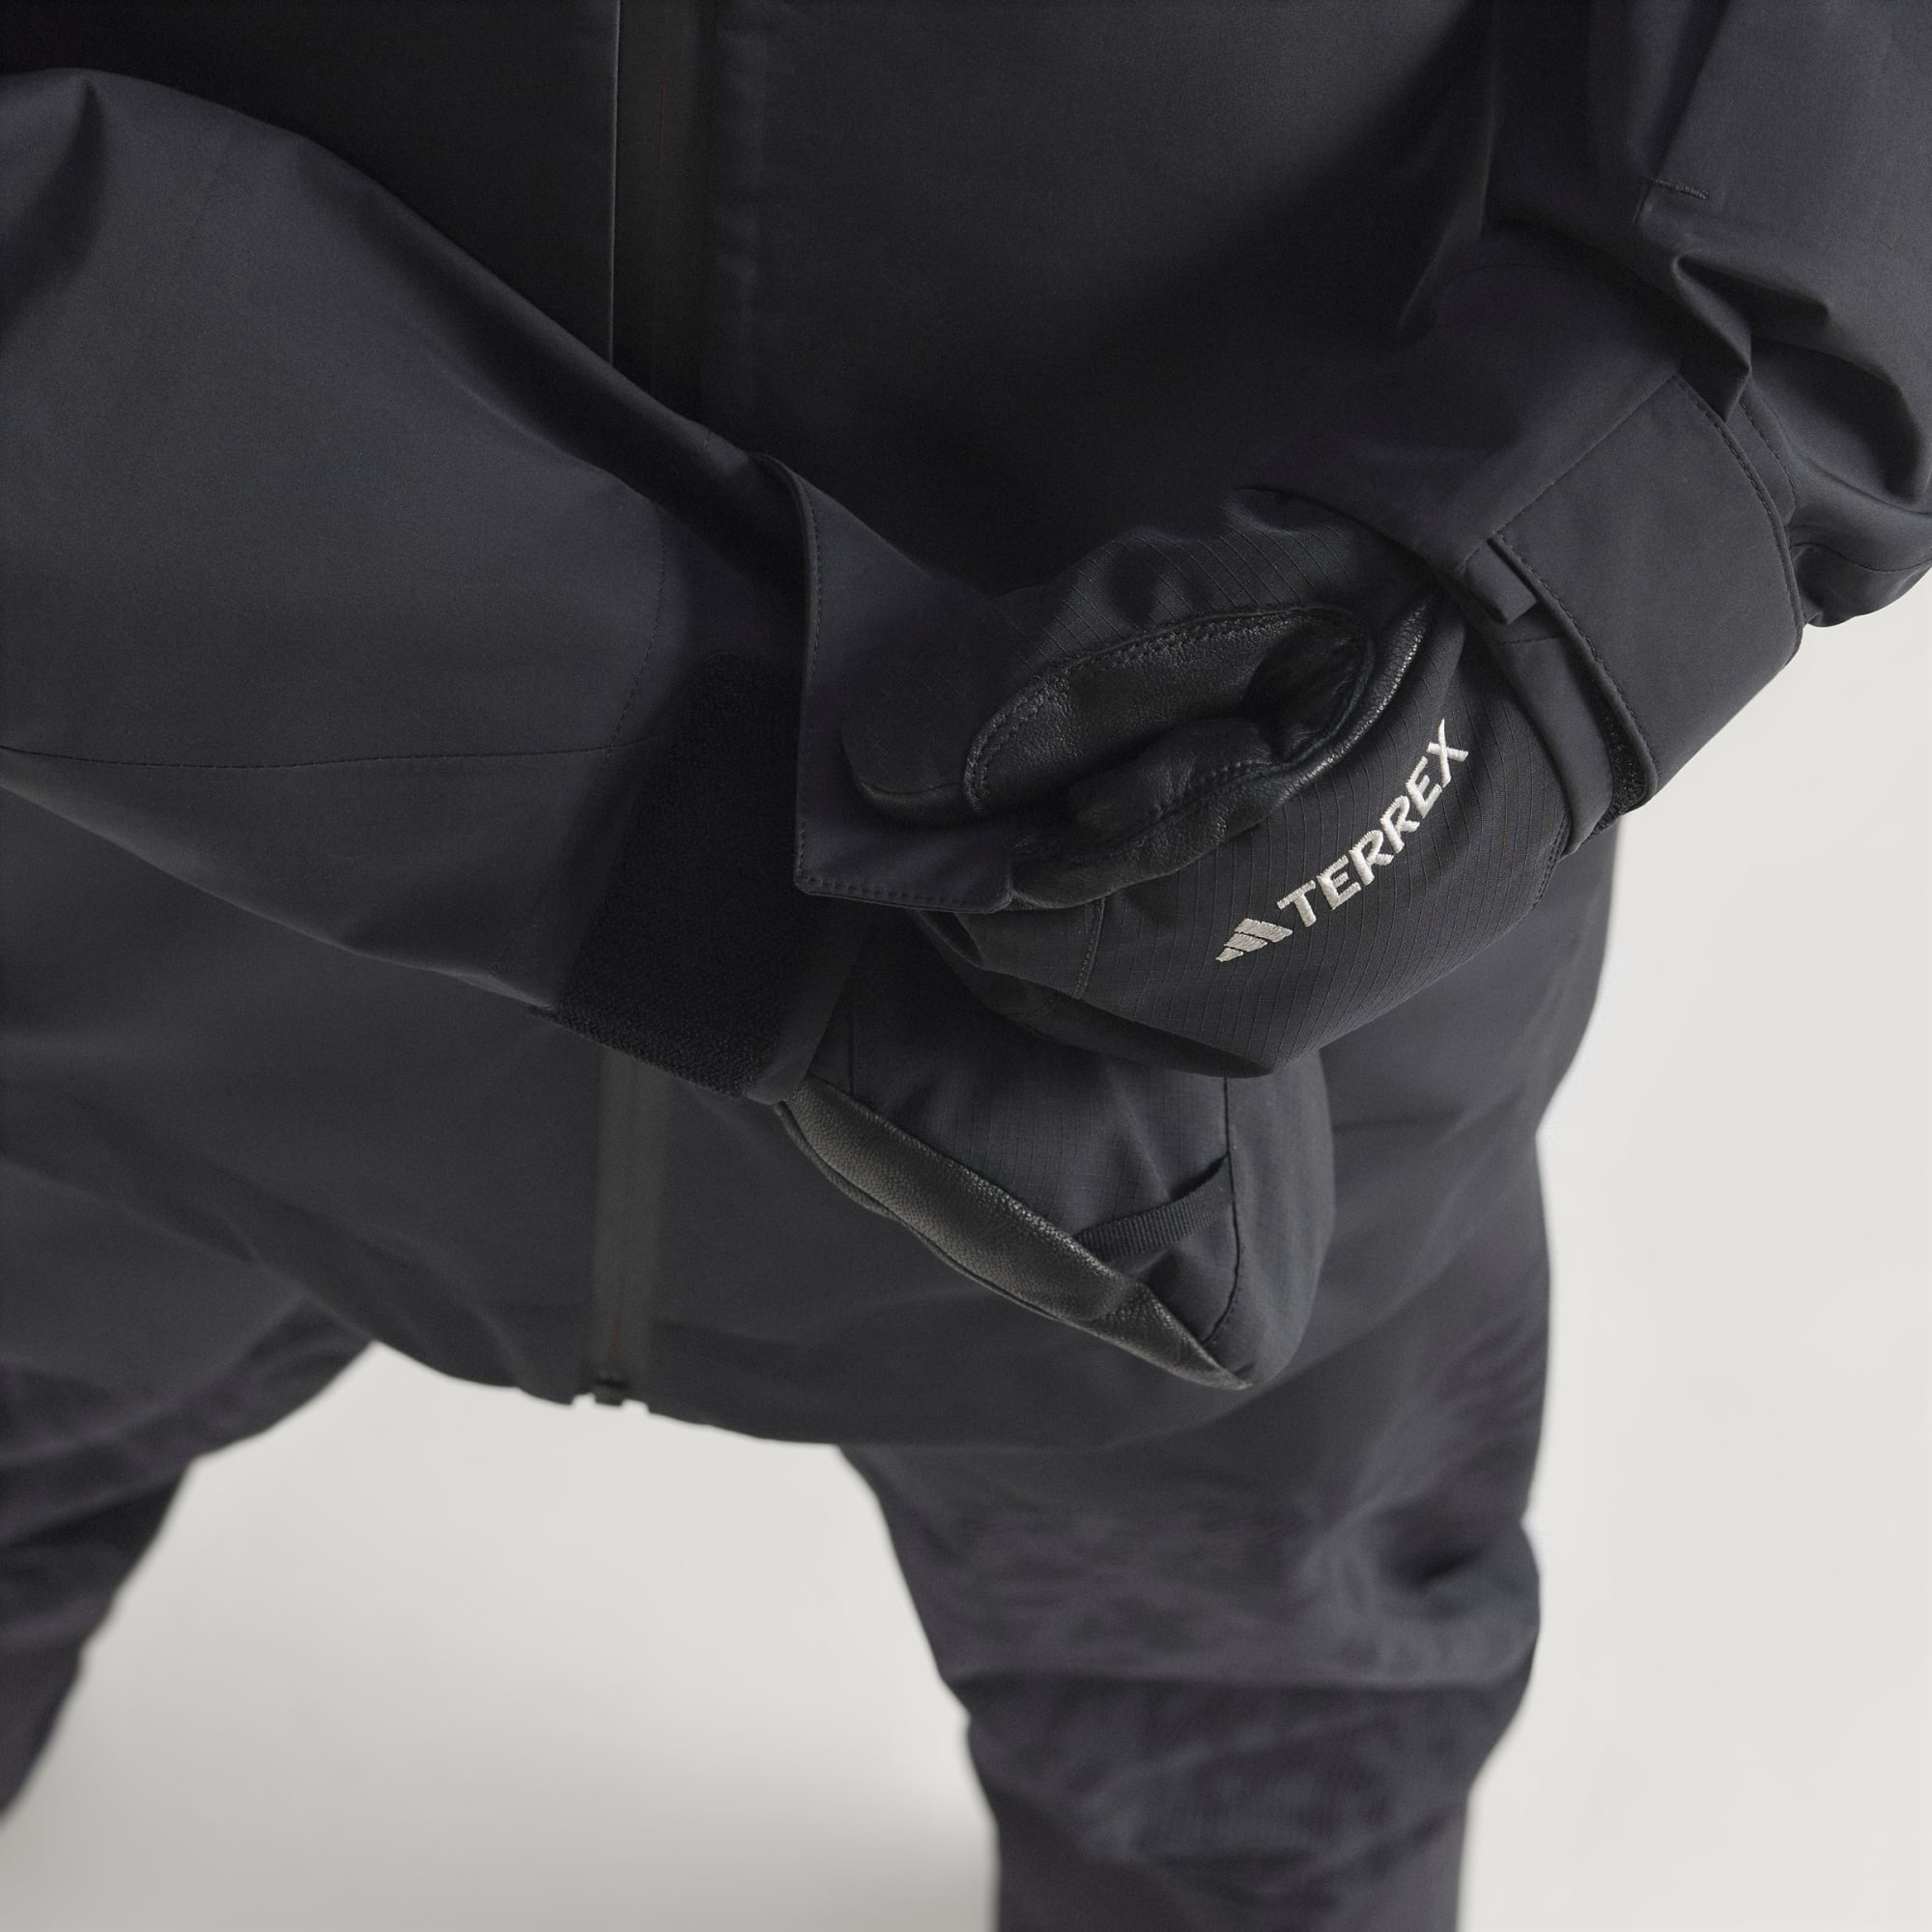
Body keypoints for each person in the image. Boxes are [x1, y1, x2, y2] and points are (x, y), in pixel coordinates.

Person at [1, 4, 1926, 1925]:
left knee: (1247, 1749)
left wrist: (1599, 519)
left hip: (1232, 948)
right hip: (123, 969)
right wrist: (711, 822)